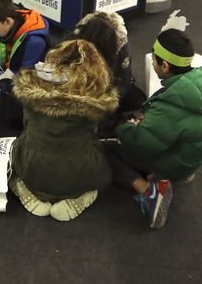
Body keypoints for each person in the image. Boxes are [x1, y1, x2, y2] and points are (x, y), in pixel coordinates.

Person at [11, 40, 118, 221]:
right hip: (79, 170)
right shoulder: (96, 96)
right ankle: (80, 196)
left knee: (17, 151)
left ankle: (24, 188)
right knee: (104, 168)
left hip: (33, 166)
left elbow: (26, 126)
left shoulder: (31, 90)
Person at [106, 28, 202, 229]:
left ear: (165, 66)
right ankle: (181, 171)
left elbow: (142, 144)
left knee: (107, 151)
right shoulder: (196, 80)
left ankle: (149, 191)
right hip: (192, 156)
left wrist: (123, 127)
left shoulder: (169, 106)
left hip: (176, 162)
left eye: (154, 58)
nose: (151, 61)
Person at [0, 0, 49, 79]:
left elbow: (25, 76)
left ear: (7, 22)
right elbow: (4, 53)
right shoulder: (10, 30)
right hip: (10, 71)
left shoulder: (34, 42)